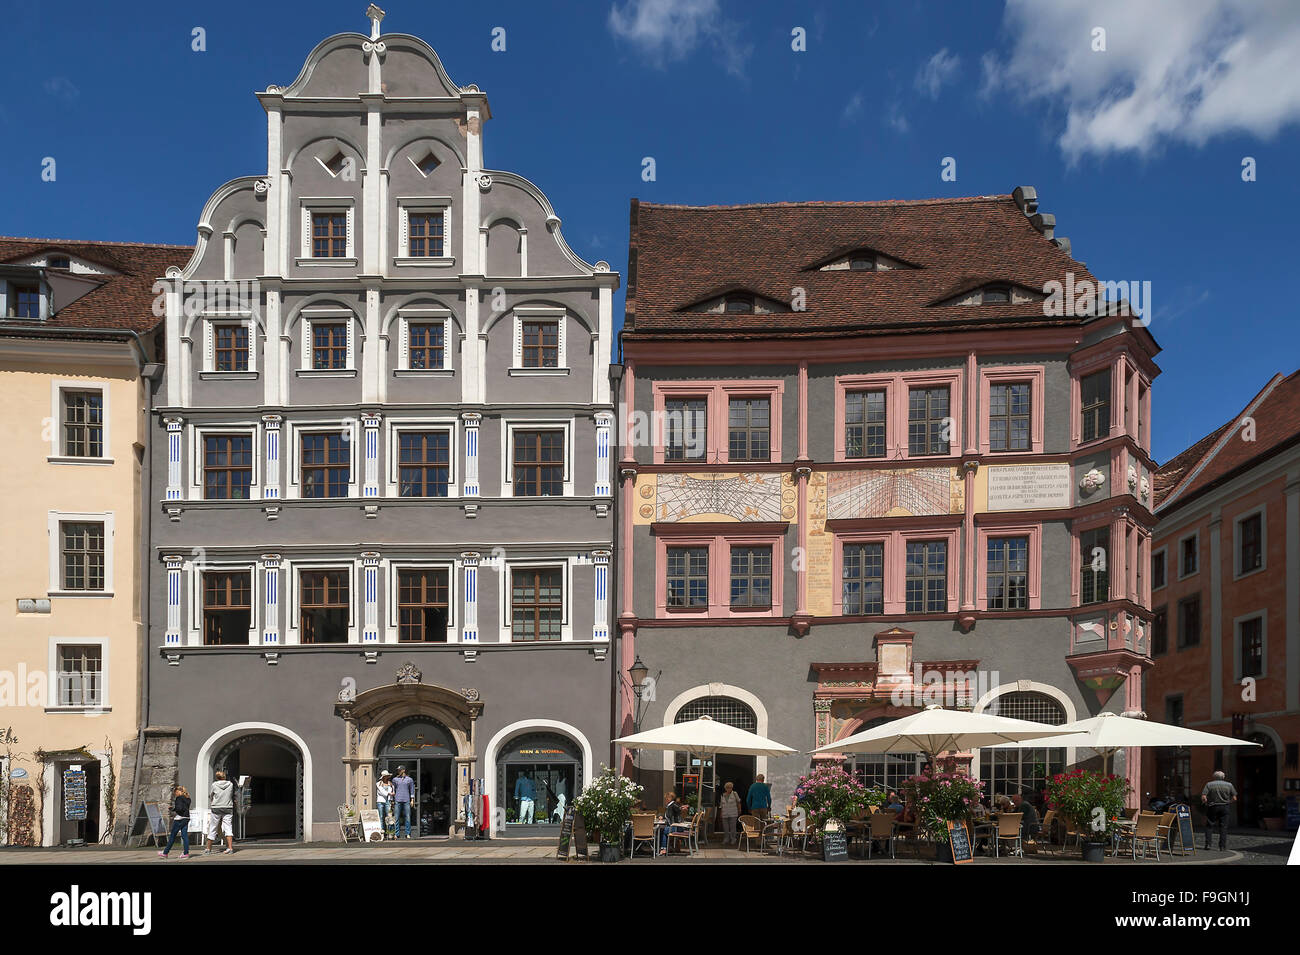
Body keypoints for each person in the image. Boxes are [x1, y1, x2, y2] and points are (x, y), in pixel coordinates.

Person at [1200, 771, 1237, 851]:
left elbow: (1203, 797)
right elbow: (1234, 798)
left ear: (1214, 777)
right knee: (1223, 827)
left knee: (1209, 826)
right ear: (1223, 777)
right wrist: (1228, 802)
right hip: (1225, 807)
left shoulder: (1209, 784)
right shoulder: (1229, 785)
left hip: (1213, 806)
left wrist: (1206, 803)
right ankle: (1222, 846)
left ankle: (1208, 844)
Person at [158, 785, 192, 859]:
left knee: (172, 836)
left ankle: (165, 853)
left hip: (179, 819)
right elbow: (184, 807)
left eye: (176, 792)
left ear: (179, 791)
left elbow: (179, 808)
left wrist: (173, 808)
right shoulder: (188, 799)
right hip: (186, 818)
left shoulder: (179, 798)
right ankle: (186, 853)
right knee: (185, 836)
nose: (175, 794)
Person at [206, 771, 235, 854]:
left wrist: (212, 800)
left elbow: (211, 795)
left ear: (217, 777)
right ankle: (230, 848)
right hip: (228, 807)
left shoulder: (214, 784)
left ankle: (208, 849)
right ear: (224, 776)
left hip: (216, 807)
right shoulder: (230, 784)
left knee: (213, 827)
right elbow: (231, 794)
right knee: (228, 827)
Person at [392, 765, 416, 838]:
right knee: (396, 817)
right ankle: (396, 833)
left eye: (399, 770)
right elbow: (393, 790)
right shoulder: (395, 779)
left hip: (406, 800)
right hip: (397, 799)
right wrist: (392, 800)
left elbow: (412, 790)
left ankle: (407, 833)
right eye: (398, 770)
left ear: (403, 770)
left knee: (407, 817)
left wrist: (412, 800)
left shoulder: (409, 780)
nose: (398, 771)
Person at [658, 791, 684, 855]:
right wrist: (662, 816)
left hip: (676, 827)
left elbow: (678, 810)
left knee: (664, 830)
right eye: (666, 798)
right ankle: (667, 847)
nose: (666, 799)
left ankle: (664, 849)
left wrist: (681, 808)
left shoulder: (673, 805)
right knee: (661, 830)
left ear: (671, 798)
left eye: (668, 797)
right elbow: (669, 815)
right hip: (673, 826)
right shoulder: (669, 806)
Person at [718, 781, 742, 846]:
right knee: (725, 827)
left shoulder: (734, 794)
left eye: (730, 788)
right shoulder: (723, 795)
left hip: (733, 812)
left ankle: (733, 839)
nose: (729, 789)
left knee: (733, 827)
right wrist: (721, 813)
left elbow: (738, 802)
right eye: (727, 788)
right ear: (725, 788)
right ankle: (726, 839)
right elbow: (721, 805)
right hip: (725, 813)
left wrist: (739, 809)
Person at [376, 770, 394, 836]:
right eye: (386, 776)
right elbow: (381, 792)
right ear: (383, 777)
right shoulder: (378, 783)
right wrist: (389, 793)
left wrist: (391, 799)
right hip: (380, 801)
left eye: (388, 776)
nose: (387, 777)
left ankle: (390, 832)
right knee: (381, 816)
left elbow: (393, 791)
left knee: (389, 817)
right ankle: (382, 831)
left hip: (388, 801)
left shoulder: (390, 784)